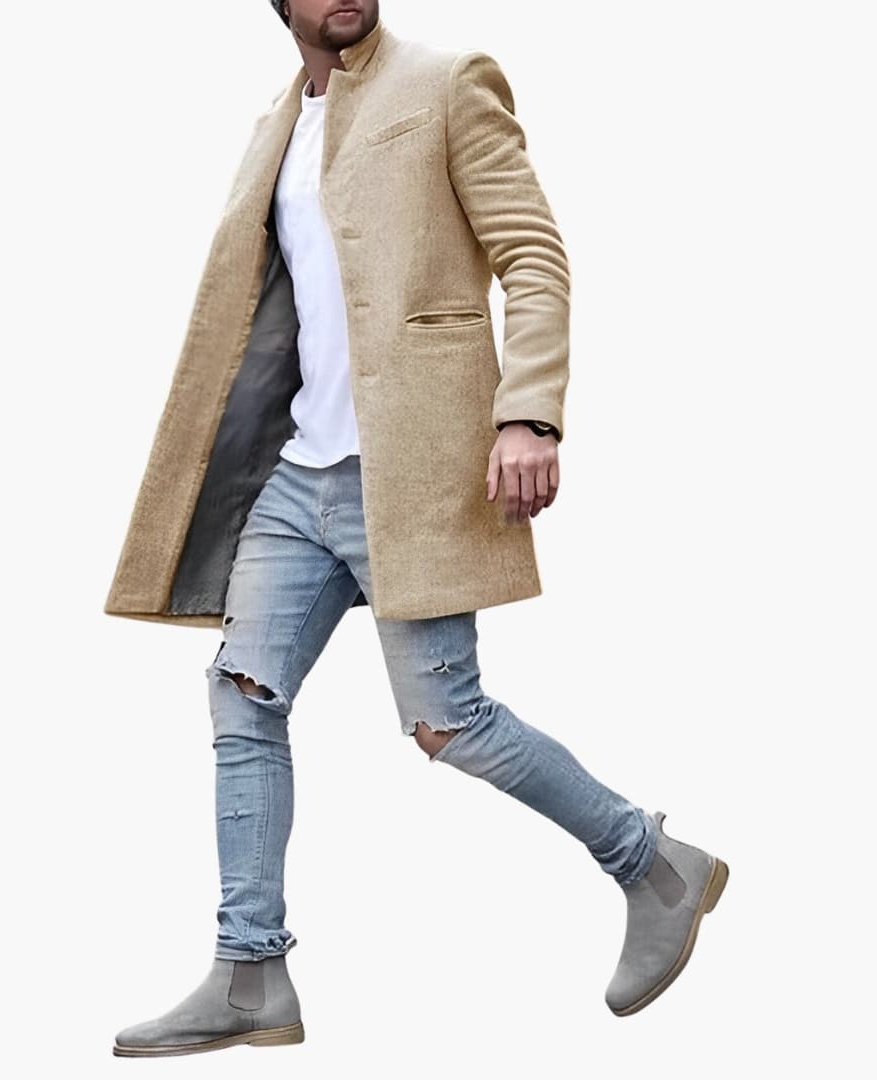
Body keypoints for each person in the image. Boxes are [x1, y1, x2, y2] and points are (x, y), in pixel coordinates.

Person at [110, 1, 729, 1058]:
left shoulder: (448, 82)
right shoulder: (273, 125)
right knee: (242, 694)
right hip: (299, 476)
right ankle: (251, 970)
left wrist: (529, 411)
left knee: (448, 721)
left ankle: (653, 864)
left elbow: (532, 254)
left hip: (411, 471)